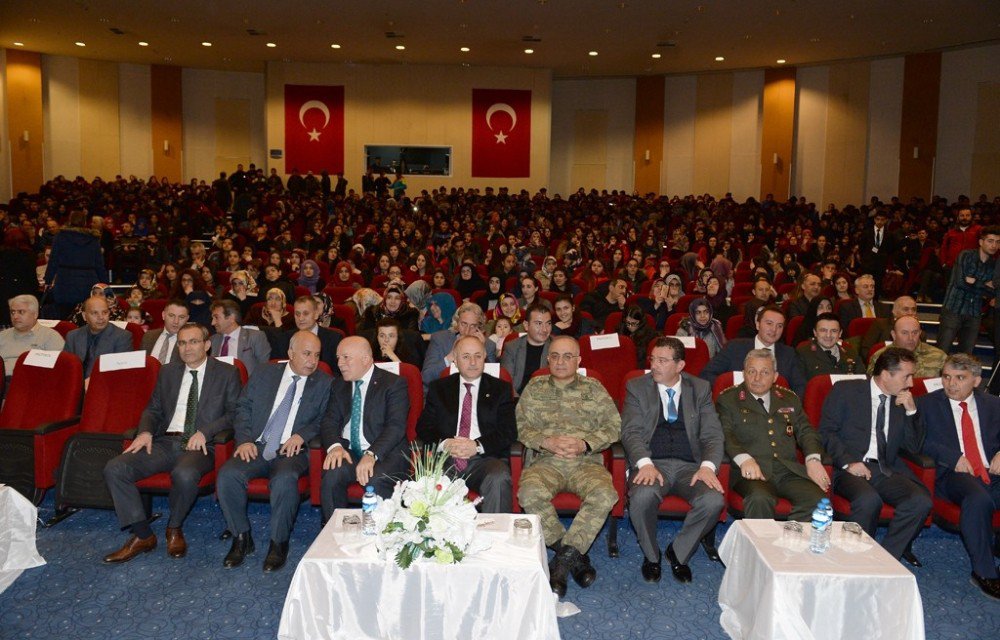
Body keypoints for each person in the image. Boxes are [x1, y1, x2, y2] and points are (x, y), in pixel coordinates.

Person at [102, 323, 241, 563]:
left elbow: (234, 413)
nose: (187, 348)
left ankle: (174, 527)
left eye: (194, 341)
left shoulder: (227, 373)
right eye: (182, 342)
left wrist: (205, 432)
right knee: (115, 468)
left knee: (185, 473)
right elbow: (153, 409)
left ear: (207, 345)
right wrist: (145, 432)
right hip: (166, 441)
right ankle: (143, 534)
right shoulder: (168, 372)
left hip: (201, 445)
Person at [217, 331, 334, 571]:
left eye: (317, 355)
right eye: (306, 353)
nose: (312, 360)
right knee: (228, 474)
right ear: (290, 353)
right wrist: (245, 440)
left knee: (284, 479)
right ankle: (242, 537)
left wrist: (302, 435)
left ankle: (278, 543)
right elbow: (243, 408)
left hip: (293, 451)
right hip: (258, 444)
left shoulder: (325, 383)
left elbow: (327, 419)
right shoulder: (264, 373)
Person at [516, 335, 621, 597]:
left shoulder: (594, 388)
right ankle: (574, 558)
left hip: (585, 462)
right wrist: (546, 441)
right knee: (528, 493)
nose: (560, 362)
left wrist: (585, 443)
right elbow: (520, 427)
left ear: (578, 360)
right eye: (554, 356)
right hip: (545, 461)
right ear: (548, 358)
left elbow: (614, 426)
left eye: (567, 356)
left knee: (605, 495)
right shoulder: (534, 387)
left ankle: (561, 563)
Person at [621, 337, 725, 584]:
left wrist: (708, 467)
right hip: (652, 463)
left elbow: (712, 434)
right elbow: (630, 432)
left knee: (713, 500)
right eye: (653, 359)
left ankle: (678, 552)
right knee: (642, 496)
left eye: (662, 361)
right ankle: (651, 555)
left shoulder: (699, 389)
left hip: (691, 466)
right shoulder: (637, 387)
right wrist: (644, 462)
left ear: (680, 366)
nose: (654, 365)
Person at [819, 347, 931, 562]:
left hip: (885, 468)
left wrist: (911, 412)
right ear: (887, 373)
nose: (911, 383)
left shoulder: (902, 400)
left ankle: (885, 560)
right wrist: (848, 462)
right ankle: (853, 561)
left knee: (920, 501)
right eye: (906, 376)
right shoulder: (847, 390)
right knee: (868, 500)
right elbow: (826, 432)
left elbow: (913, 448)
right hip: (849, 468)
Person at [918, 353, 1000, 600]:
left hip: (989, 470)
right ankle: (984, 572)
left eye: (960, 378)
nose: (951, 384)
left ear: (976, 380)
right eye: (946, 377)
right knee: (979, 499)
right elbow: (918, 441)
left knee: (984, 495)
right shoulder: (925, 404)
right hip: (952, 474)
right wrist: (952, 457)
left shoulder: (993, 404)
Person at [717, 349, 830, 521]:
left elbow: (806, 431)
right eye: (752, 371)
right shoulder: (728, 399)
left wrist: (813, 460)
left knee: (817, 500)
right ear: (744, 374)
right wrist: (744, 459)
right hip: (750, 471)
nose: (757, 378)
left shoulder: (789, 399)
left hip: (787, 470)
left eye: (765, 372)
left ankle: (792, 544)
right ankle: (760, 547)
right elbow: (724, 433)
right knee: (760, 498)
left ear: (775, 376)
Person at [417, 334, 517, 512]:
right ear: (455, 359)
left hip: (484, 459)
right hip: (446, 459)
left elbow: (508, 431)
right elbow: (424, 427)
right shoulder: (439, 388)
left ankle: (496, 536)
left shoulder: (500, 388)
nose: (472, 362)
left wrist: (476, 446)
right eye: (466, 356)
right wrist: (446, 443)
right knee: (428, 479)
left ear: (485, 356)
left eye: (478, 356)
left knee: (499, 477)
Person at [319, 336, 410, 523]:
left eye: (346, 358)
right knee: (331, 475)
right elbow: (329, 421)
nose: (339, 363)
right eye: (338, 358)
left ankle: (380, 535)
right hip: (350, 451)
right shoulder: (339, 384)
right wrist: (335, 446)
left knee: (374, 480)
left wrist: (372, 454)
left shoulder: (393, 384)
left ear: (366, 359)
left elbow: (396, 426)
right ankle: (335, 532)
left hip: (385, 453)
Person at [700, 305, 807, 397]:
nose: (774, 330)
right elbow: (707, 375)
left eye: (779, 326)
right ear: (757, 324)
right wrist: (729, 391)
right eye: (769, 323)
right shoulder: (734, 348)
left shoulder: (789, 354)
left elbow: (800, 387)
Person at [935, 226, 999, 355]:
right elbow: (960, 282)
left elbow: (992, 292)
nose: (994, 245)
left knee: (966, 356)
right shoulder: (966, 255)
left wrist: (974, 281)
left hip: (974, 313)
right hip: (953, 309)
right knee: (941, 353)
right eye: (990, 241)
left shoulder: (994, 264)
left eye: (998, 242)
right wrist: (984, 285)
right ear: (981, 242)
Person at [44, 209, 107, 319]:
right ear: (85, 222)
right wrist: (105, 283)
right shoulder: (93, 238)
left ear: (70, 221)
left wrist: (48, 280)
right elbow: (99, 264)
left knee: (63, 317)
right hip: (88, 280)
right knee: (87, 317)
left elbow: (53, 260)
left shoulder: (60, 236)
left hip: (65, 280)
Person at [421, 302, 498, 391]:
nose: (467, 330)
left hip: (477, 394)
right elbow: (426, 377)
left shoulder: (488, 345)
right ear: (456, 323)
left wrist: (482, 350)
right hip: (443, 394)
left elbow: (493, 384)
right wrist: (451, 356)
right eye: (464, 324)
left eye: (473, 326)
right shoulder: (440, 339)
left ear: (479, 328)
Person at [63, 296, 133, 382]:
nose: (101, 317)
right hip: (75, 388)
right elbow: (65, 369)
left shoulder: (122, 337)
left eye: (105, 312)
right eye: (95, 313)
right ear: (85, 316)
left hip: (105, 389)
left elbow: (121, 375)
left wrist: (93, 384)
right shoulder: (73, 336)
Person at [0, 294, 64, 387]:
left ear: (35, 314)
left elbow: (59, 369)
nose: (15, 316)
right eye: (12, 312)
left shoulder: (50, 336)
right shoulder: (2, 336)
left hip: (31, 384)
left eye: (21, 312)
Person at [868, 315, 947, 378]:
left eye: (915, 332)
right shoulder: (880, 356)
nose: (910, 338)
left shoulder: (939, 356)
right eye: (904, 333)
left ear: (920, 333)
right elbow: (874, 386)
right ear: (894, 335)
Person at [501, 303, 553, 396]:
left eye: (548, 324)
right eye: (539, 323)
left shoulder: (557, 347)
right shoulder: (512, 348)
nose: (545, 329)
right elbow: (506, 384)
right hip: (517, 399)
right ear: (526, 325)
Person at [209, 299, 271, 376]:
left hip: (247, 385)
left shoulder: (255, 337)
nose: (212, 323)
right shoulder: (213, 340)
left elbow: (265, 368)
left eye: (216, 317)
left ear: (231, 318)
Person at [796, 312, 865, 379]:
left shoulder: (850, 352)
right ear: (815, 332)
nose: (828, 335)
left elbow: (863, 380)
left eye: (834, 331)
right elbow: (800, 386)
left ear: (840, 333)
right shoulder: (803, 354)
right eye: (823, 330)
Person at [860, 295, 918, 363]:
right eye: (906, 309)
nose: (910, 313)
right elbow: (866, 350)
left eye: (913, 309)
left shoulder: (920, 333)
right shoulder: (880, 325)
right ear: (894, 312)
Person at [140, 300, 190, 365]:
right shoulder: (149, 336)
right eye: (171, 315)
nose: (176, 321)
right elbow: (140, 363)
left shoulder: (190, 341)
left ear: (187, 319)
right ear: (163, 315)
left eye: (181, 317)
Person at [617, 304, 658, 368]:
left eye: (633, 323)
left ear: (641, 322)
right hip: (621, 363)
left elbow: (644, 358)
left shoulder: (650, 335)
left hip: (639, 366)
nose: (629, 326)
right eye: (627, 322)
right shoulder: (620, 329)